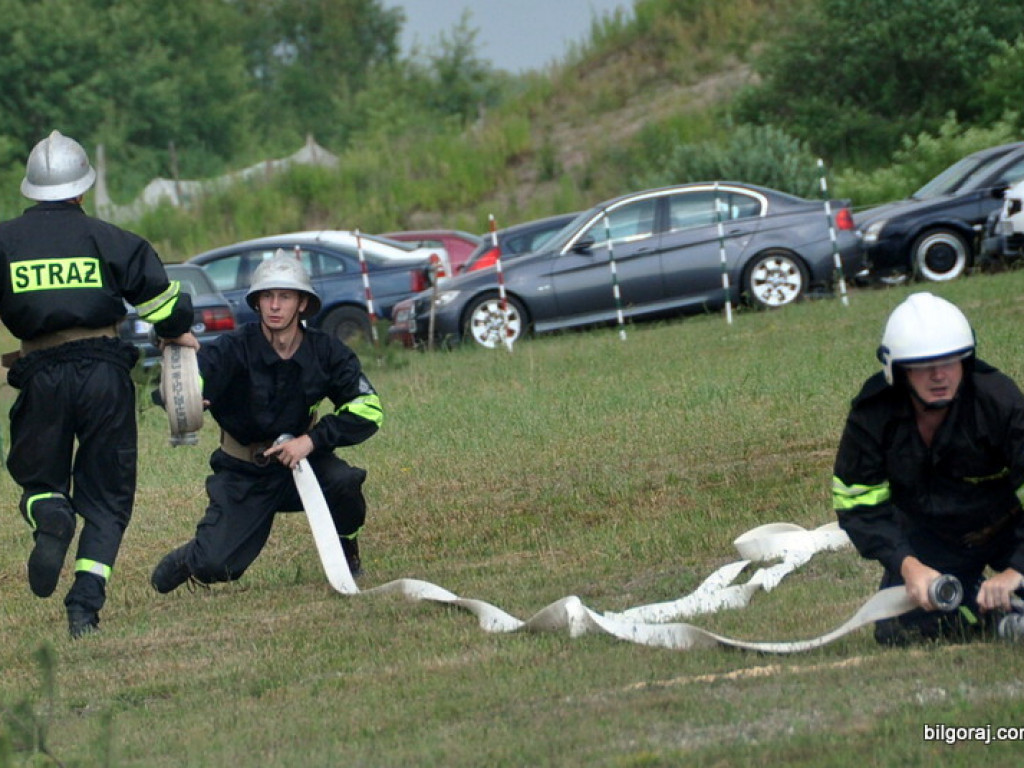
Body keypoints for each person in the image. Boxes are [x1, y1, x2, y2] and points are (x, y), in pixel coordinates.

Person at [0, 130, 198, 638]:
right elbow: (167, 306)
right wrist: (176, 331)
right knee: (108, 498)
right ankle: (84, 607)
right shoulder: (112, 239)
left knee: (39, 481)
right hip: (104, 375)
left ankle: (50, 513)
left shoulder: (5, 241)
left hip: (40, 375)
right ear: (83, 189)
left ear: (30, 189)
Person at [150, 250, 381, 595]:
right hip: (245, 472)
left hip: (301, 464)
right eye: (267, 296)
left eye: (285, 296)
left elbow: (369, 408)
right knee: (217, 565)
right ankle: (191, 558)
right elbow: (190, 381)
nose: (274, 305)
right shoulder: (233, 348)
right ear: (256, 302)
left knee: (344, 483)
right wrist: (183, 391)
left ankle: (347, 551)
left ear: (302, 303)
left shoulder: (326, 351)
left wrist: (312, 441)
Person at [832, 292, 1024, 645]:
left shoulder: (999, 401)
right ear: (898, 370)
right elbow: (857, 504)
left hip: (1010, 527)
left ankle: (1006, 603)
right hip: (936, 536)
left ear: (966, 361)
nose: (939, 375)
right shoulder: (873, 414)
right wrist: (908, 565)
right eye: (923, 366)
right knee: (899, 629)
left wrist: (1017, 569)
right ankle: (981, 610)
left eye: (950, 362)